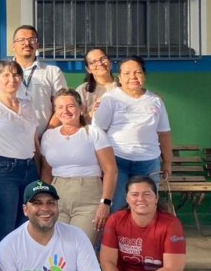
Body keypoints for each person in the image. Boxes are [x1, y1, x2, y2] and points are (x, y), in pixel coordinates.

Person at [0, 60, 40, 254]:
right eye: (6, 75)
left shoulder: (28, 106)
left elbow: (35, 142)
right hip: (3, 172)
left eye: (16, 75)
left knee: (26, 229)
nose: (12, 79)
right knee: (4, 231)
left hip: (29, 171)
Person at [92, 56, 172, 212]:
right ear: (120, 78)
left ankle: (144, 237)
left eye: (138, 72)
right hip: (117, 161)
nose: (133, 77)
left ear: (144, 76)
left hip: (148, 163)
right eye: (127, 73)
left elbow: (164, 133)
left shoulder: (155, 100)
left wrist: (168, 161)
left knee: (145, 207)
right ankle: (119, 237)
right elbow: (97, 130)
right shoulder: (110, 98)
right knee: (118, 206)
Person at [40, 89, 117, 243]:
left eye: (70, 106)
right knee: (56, 244)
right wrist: (44, 200)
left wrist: (105, 203)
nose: (65, 111)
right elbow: (46, 172)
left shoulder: (94, 133)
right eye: (60, 107)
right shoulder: (49, 136)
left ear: (81, 108)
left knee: (81, 245)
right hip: (57, 196)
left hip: (88, 198)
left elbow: (110, 170)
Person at [0, 25, 67, 136]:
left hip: (46, 138)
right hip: (9, 140)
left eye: (32, 39)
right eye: (21, 40)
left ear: (37, 44)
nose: (27, 43)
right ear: (13, 46)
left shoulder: (52, 72)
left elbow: (62, 106)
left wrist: (47, 135)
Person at [75, 48, 118, 122]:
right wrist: (91, 114)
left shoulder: (123, 85)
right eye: (93, 62)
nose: (100, 63)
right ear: (88, 69)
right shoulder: (83, 90)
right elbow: (76, 121)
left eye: (103, 59)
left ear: (110, 62)